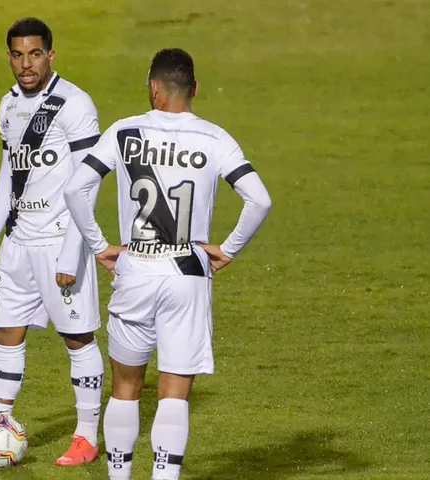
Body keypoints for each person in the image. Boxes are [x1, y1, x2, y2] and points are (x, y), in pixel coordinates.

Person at [63, 48, 272, 479]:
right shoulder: (214, 138)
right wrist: (228, 248)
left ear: (154, 88)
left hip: (136, 268)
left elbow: (74, 190)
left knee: (125, 390)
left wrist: (100, 245)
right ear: (194, 89)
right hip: (188, 273)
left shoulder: (124, 132)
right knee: (174, 395)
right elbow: (259, 199)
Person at [0, 17, 104, 467]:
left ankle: (86, 437)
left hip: (59, 243)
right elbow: (8, 178)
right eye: (17, 54)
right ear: (9, 57)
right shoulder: (8, 106)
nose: (26, 64)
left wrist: (75, 252)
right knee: (3, 336)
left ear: (51, 55)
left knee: (77, 338)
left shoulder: (75, 105)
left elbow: (85, 185)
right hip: (17, 245)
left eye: (35, 54)